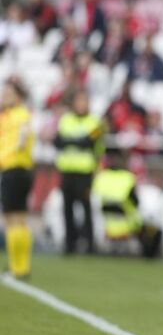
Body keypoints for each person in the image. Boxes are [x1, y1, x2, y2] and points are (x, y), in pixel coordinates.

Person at [54, 90, 105, 255]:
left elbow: (89, 142)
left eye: (84, 101)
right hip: (67, 171)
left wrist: (72, 141)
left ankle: (89, 244)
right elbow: (59, 141)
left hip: (85, 172)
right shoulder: (66, 119)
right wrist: (78, 141)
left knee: (86, 208)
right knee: (67, 208)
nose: (81, 105)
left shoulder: (95, 122)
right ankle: (70, 244)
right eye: (79, 101)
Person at [92, 150, 161, 258]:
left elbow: (96, 198)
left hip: (107, 224)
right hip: (127, 224)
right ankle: (149, 256)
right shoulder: (127, 177)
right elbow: (136, 202)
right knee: (155, 231)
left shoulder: (102, 177)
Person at [0, 79, 34, 278]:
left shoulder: (19, 115)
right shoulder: (14, 115)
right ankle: (23, 267)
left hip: (13, 169)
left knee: (12, 219)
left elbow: (22, 138)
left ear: (18, 96)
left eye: (8, 93)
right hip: (22, 169)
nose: (4, 96)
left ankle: (16, 267)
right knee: (20, 219)